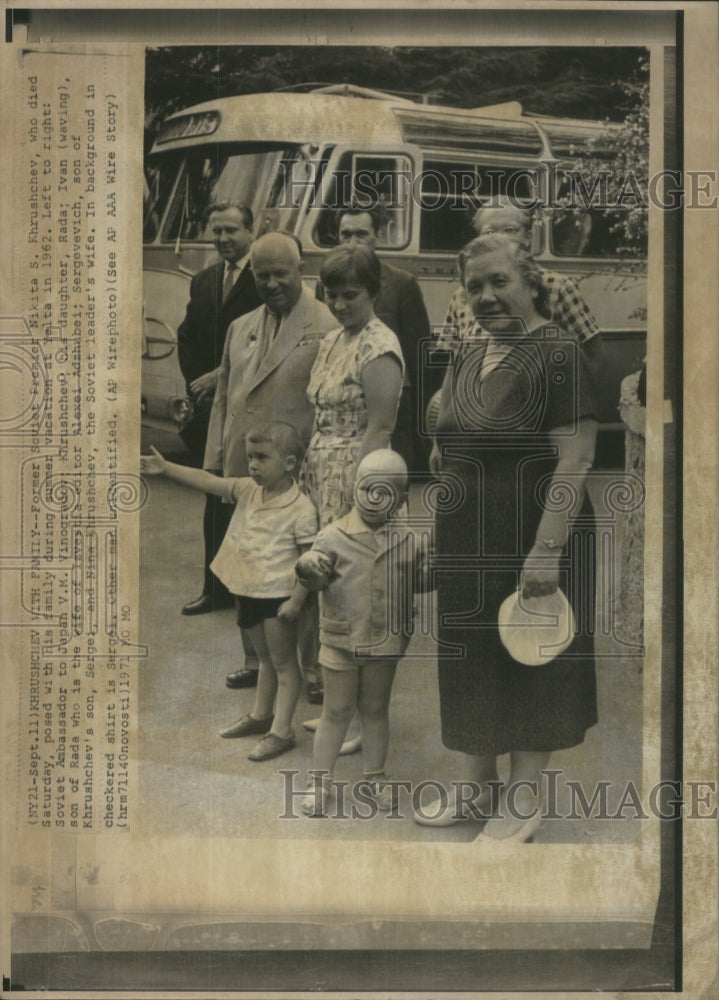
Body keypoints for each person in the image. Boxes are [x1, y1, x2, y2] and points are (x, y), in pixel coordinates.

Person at [418, 234, 598, 842]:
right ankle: (476, 789)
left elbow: (575, 460)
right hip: (468, 534)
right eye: (475, 286)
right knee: (471, 658)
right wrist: (437, 534)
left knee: (528, 657)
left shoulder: (557, 351)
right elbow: (449, 452)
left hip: (529, 530)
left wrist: (546, 551)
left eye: (500, 282)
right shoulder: (472, 353)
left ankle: (521, 802)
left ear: (530, 283)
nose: (487, 296)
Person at [141, 422, 318, 762]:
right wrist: (166, 469)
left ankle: (282, 732)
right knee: (264, 658)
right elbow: (210, 481)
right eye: (250, 457)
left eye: (262, 458)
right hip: (247, 589)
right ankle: (260, 714)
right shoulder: (249, 489)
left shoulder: (301, 510)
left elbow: (309, 563)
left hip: (278, 598)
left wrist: (298, 601)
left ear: (291, 463)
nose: (252, 465)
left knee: (283, 663)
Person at [205, 231, 335, 691]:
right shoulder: (241, 325)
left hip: (297, 473)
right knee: (248, 566)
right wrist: (217, 462)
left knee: (301, 573)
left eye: (282, 273)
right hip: (247, 467)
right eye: (263, 275)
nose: (273, 283)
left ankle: (312, 672)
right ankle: (255, 661)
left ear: (301, 270)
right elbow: (224, 397)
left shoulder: (326, 323)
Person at [301, 242, 405, 720]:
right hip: (320, 473)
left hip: (359, 482)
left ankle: (366, 716)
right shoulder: (334, 339)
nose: (340, 305)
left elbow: (380, 429)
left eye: (350, 294)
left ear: (374, 291)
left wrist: (360, 506)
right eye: (331, 295)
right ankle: (337, 709)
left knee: (362, 598)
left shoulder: (379, 345)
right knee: (332, 593)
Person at [295, 450, 430, 816]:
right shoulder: (332, 536)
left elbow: (420, 583)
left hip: (387, 640)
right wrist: (307, 567)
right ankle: (319, 782)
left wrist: (435, 565)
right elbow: (316, 580)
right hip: (341, 641)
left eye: (385, 491)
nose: (373, 498)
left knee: (375, 709)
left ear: (401, 500)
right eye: (367, 488)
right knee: (335, 711)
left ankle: (375, 777)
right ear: (354, 488)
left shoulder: (410, 539)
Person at [176, 201, 262, 617]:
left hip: (252, 406)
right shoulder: (205, 279)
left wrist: (221, 376)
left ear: (251, 231)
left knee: (252, 498)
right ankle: (214, 589)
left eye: (231, 230)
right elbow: (187, 336)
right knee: (214, 498)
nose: (223, 239)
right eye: (217, 231)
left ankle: (251, 592)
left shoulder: (265, 277)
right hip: (212, 407)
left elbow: (264, 341)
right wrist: (200, 388)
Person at [317, 204, 433, 471]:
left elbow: (419, 358)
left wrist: (423, 431)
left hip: (391, 411)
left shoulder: (402, 283)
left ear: (377, 237)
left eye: (361, 234)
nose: (353, 242)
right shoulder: (327, 283)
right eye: (346, 235)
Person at [441, 199, 604, 375]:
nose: (499, 238)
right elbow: (454, 363)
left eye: (510, 230)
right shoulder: (462, 295)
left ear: (528, 237)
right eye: (489, 231)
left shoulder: (558, 286)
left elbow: (593, 355)